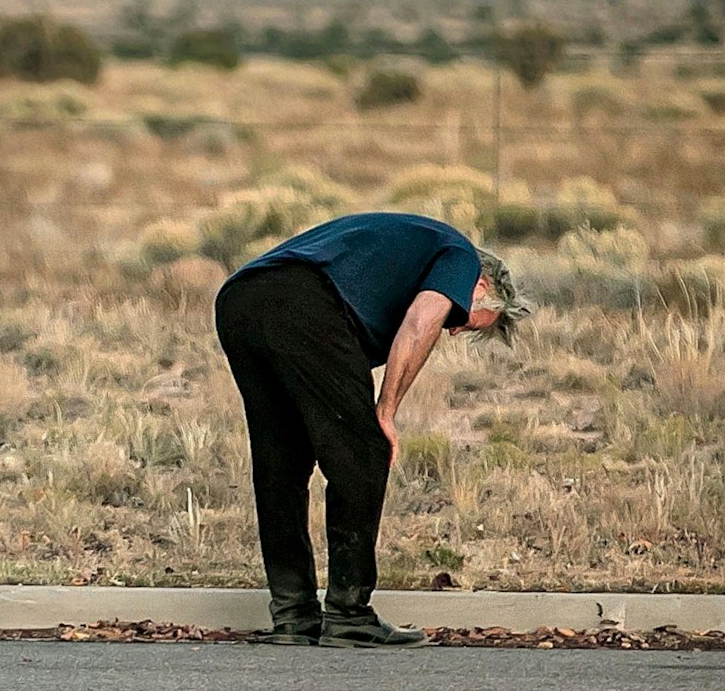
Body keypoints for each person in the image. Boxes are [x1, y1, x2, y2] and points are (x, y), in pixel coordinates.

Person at [213, 212, 531, 647]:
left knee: (281, 465)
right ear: (482, 287)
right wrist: (386, 410)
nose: (454, 329)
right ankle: (349, 615)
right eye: (466, 319)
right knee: (364, 453)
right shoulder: (460, 257)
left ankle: (294, 618)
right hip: (302, 301)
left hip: (240, 300)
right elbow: (422, 321)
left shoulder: (409, 251)